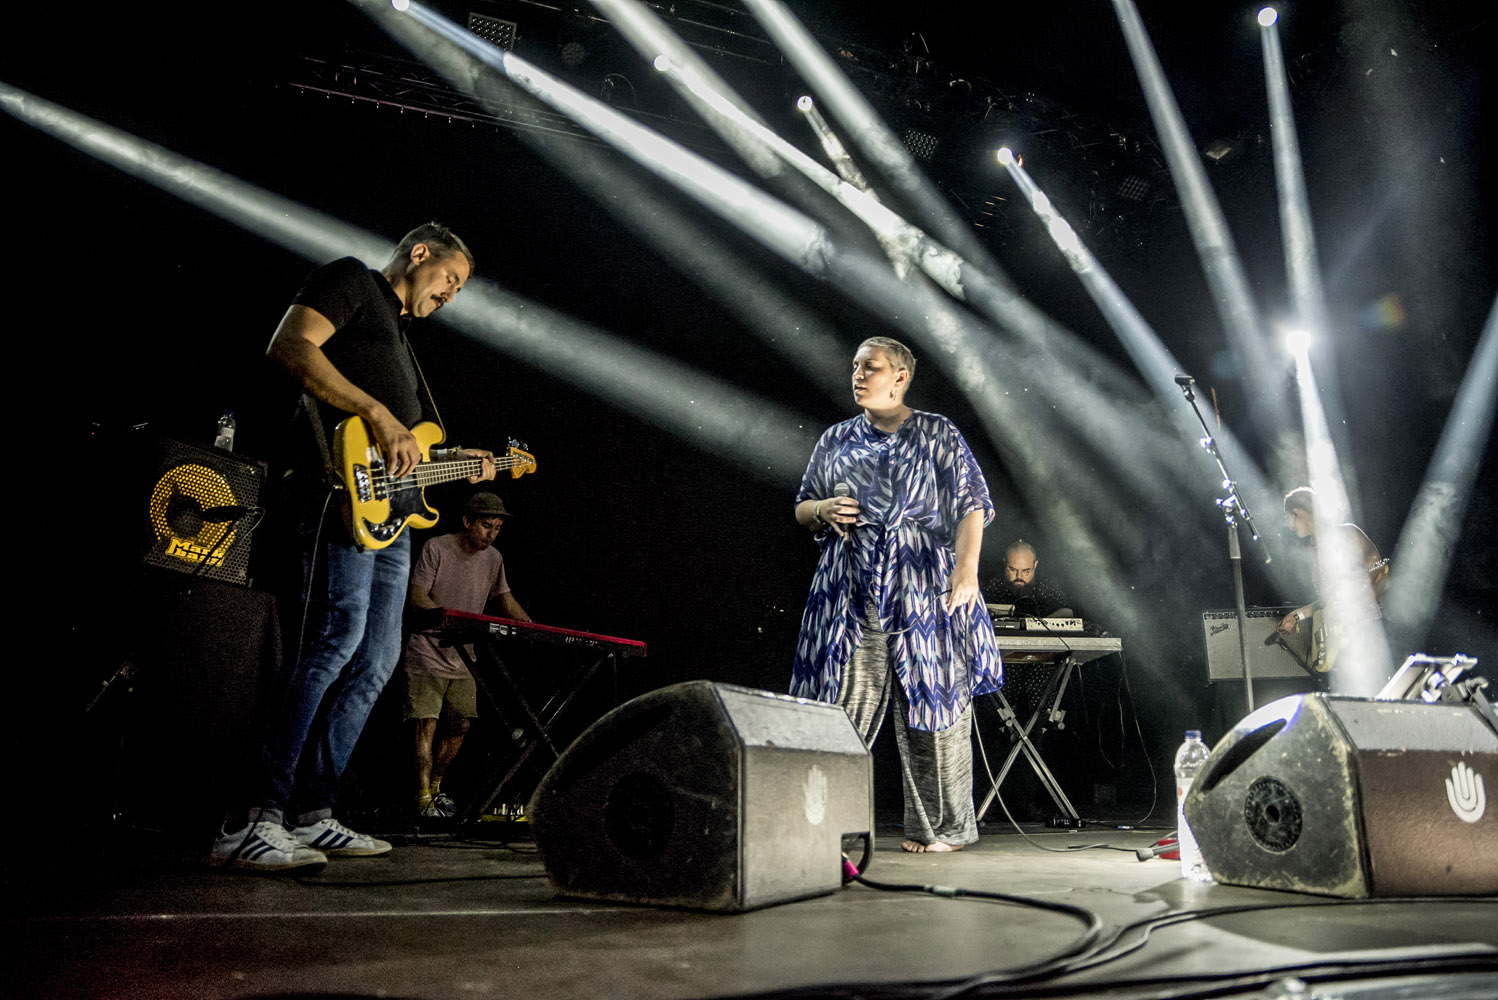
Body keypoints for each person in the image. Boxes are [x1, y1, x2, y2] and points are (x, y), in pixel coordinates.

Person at [211, 223, 498, 871]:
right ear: (419, 253)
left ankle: (312, 811)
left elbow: (410, 450)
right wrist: (377, 412)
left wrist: (460, 462)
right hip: (336, 491)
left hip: (391, 515)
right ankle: (251, 816)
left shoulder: (401, 338)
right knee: (331, 641)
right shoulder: (351, 280)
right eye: (450, 278)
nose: (451, 294)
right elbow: (290, 345)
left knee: (376, 660)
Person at [792, 336, 1001, 853]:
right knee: (837, 706)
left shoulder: (937, 432)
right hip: (849, 587)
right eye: (856, 366)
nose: (859, 375)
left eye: (871, 367)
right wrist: (822, 510)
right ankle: (821, 829)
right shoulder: (837, 439)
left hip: (922, 587)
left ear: (900, 377)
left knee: (934, 705)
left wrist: (967, 571)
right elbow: (802, 505)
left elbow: (972, 504)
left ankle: (943, 829)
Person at [403, 491, 530, 818]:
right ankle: (421, 797)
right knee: (426, 723)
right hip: (429, 650)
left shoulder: (494, 558)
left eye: (497, 528)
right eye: (486, 526)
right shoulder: (436, 547)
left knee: (460, 725)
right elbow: (417, 595)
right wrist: (448, 620)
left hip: (463, 657)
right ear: (467, 521)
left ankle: (436, 788)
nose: (491, 534)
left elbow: (505, 598)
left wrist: (531, 626)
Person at [1275, 486, 1389, 671]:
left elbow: (1381, 573)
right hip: (1340, 642)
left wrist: (1354, 604)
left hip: (1365, 632)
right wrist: (1297, 615)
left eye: (1287, 518)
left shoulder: (1346, 534)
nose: (1289, 526)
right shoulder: (1313, 547)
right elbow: (1328, 602)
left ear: (1297, 513)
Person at [981, 539, 1074, 618]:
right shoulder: (993, 585)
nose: (1019, 576)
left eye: (1026, 571)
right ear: (1005, 563)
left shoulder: (1046, 585)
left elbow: (1066, 612)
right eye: (1012, 570)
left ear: (1035, 565)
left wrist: (1037, 623)